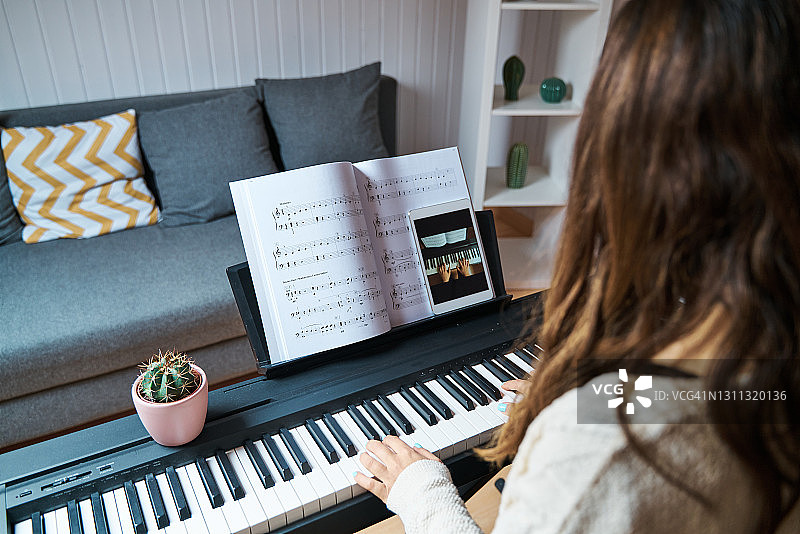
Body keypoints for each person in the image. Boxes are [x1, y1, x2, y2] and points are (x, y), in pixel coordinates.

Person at [353, 1, 800, 532]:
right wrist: (599, 392)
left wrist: (424, 495)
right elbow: (714, 398)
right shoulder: (770, 352)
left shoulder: (591, 456)